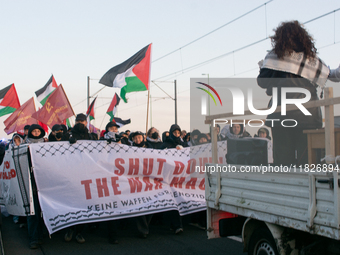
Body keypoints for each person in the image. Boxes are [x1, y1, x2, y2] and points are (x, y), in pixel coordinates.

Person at [257, 20, 340, 166]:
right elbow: (332, 75)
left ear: (279, 39)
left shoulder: (275, 56)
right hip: (309, 116)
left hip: (281, 116)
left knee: (283, 164)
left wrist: (266, 69)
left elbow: (262, 82)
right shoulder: (311, 60)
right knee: (308, 162)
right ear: (304, 38)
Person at [63, 113, 97, 244]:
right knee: (71, 203)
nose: (80, 123)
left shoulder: (91, 136)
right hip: (71, 173)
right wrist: (67, 144)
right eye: (78, 121)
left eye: (82, 121)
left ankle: (79, 232)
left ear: (86, 122)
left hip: (87, 173)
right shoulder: (68, 135)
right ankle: (70, 229)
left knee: (84, 203)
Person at [24, 124, 46, 249]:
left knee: (43, 211)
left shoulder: (47, 145)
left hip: (43, 182)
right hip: (31, 182)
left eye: (38, 131)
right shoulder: (24, 146)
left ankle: (41, 235)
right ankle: (33, 238)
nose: (36, 133)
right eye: (34, 131)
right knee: (33, 213)